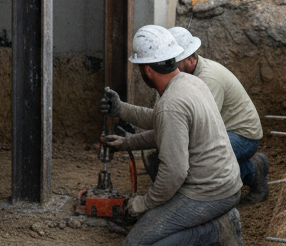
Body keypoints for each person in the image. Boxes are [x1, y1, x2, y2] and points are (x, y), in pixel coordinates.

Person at [103, 25, 245, 246]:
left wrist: (143, 204)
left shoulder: (172, 103)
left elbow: (175, 172)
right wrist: (122, 114)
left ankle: (216, 230)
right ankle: (213, 224)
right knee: (155, 221)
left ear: (147, 70)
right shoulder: (189, 82)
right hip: (224, 184)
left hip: (208, 194)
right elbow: (162, 122)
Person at [103, 26, 269, 204]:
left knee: (192, 166)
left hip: (242, 136)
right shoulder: (182, 80)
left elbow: (178, 132)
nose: (168, 66)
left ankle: (251, 169)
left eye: (171, 61)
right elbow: (161, 121)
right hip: (221, 131)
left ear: (188, 59)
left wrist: (130, 143)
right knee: (172, 154)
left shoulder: (205, 81)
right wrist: (122, 110)